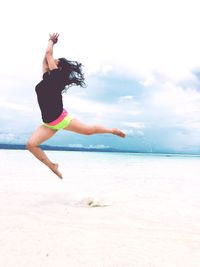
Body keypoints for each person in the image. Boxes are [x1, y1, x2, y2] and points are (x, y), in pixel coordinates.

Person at [27, 33, 126, 179]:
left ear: (58, 67)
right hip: (48, 123)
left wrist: (51, 42)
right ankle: (53, 166)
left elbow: (48, 54)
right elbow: (45, 58)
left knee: (88, 131)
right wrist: (48, 52)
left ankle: (112, 130)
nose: (53, 59)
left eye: (56, 60)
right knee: (31, 145)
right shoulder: (47, 77)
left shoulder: (56, 77)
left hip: (61, 118)